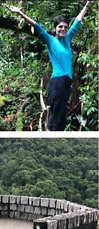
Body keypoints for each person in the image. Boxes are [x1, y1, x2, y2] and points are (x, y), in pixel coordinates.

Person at [7, 1, 91, 131]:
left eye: (65, 27)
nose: (63, 29)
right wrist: (20, 13)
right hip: (57, 83)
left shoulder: (67, 39)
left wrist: (86, 6)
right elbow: (35, 24)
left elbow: (77, 21)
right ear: (55, 29)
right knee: (56, 118)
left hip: (66, 83)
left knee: (61, 117)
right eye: (60, 27)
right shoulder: (50, 40)